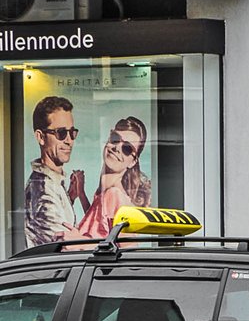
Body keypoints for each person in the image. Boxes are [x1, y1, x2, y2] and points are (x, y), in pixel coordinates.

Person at [72, 116, 154, 240]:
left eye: (127, 148)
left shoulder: (115, 196)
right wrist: (81, 194)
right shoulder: (105, 194)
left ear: (133, 162)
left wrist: (76, 241)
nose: (117, 148)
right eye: (115, 139)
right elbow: (97, 229)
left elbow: (125, 249)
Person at [23, 95, 84, 247]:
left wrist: (71, 197)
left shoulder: (52, 182)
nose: (69, 140)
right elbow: (65, 244)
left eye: (72, 132)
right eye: (61, 133)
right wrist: (85, 244)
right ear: (41, 137)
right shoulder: (43, 189)